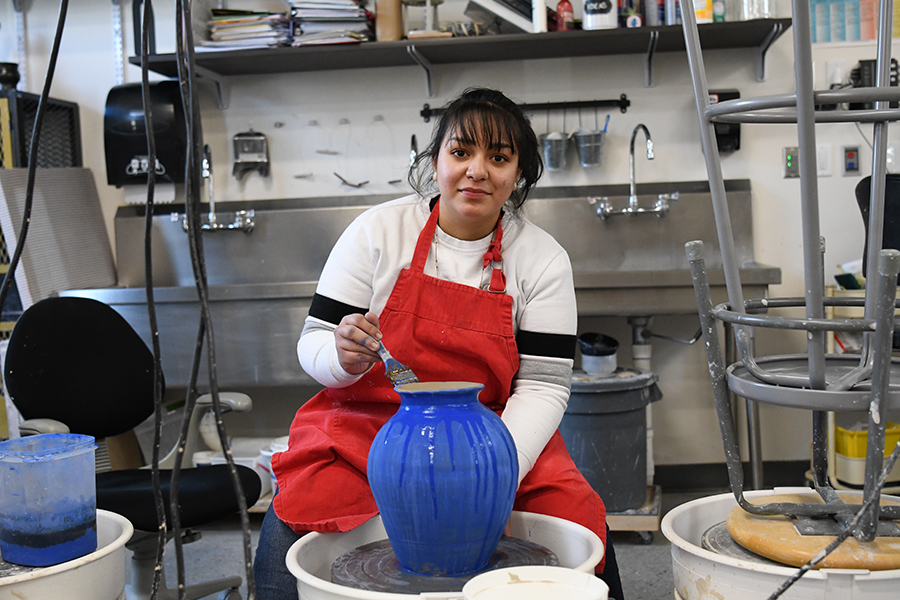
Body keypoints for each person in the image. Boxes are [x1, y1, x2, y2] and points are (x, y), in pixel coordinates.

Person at [253, 87, 624, 600]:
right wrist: (340, 357)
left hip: (495, 433)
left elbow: (543, 386)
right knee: (285, 540)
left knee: (584, 532)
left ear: (519, 174)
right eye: (461, 151)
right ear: (435, 163)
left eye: (498, 157)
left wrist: (490, 473)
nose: (477, 170)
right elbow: (314, 342)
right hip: (368, 428)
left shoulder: (541, 259)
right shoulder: (376, 233)